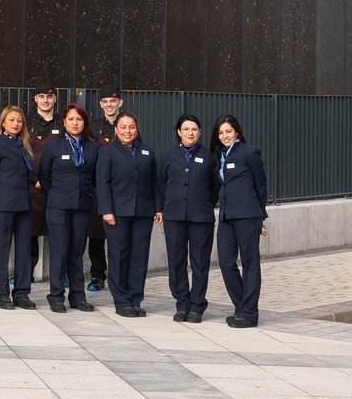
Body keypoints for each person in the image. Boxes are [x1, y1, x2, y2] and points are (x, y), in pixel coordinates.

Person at [96, 112, 159, 318]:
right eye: (122, 127)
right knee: (119, 256)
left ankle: (135, 299)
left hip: (143, 212)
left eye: (131, 127)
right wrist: (106, 210)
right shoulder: (107, 152)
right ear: (115, 129)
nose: (127, 131)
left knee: (139, 257)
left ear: (136, 128)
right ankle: (121, 301)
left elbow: (154, 183)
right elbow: (102, 183)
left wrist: (158, 208)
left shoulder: (147, 151)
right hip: (117, 213)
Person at [156, 114, 217, 323]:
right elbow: (160, 184)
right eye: (186, 129)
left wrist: (204, 203)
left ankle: (197, 305)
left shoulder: (209, 156)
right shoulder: (167, 155)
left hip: (201, 217)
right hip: (174, 216)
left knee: (200, 262)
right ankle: (182, 303)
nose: (190, 133)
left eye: (194, 129)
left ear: (199, 133)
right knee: (176, 261)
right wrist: (161, 208)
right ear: (178, 132)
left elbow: (215, 187)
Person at [38, 104, 99, 313]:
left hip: (83, 206)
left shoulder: (93, 148)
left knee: (76, 251)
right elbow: (44, 175)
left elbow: (95, 179)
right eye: (71, 119)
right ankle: (56, 296)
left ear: (85, 123)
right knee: (59, 250)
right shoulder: (53, 146)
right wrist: (54, 195)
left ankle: (78, 296)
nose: (75, 123)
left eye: (79, 119)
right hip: (58, 206)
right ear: (64, 122)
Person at [213, 114, 268, 328]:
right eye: (221, 132)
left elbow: (261, 185)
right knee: (226, 261)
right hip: (227, 215)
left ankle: (249, 313)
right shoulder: (220, 155)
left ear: (236, 131)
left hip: (247, 215)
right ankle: (241, 306)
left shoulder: (249, 152)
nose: (225, 135)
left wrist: (260, 215)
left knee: (250, 263)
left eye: (228, 131)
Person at [0, 105, 37, 310]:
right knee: (2, 249)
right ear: (3, 122)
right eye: (12, 120)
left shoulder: (23, 145)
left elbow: (28, 174)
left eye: (19, 120)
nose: (16, 124)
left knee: (24, 249)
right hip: (3, 204)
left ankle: (22, 293)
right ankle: (1, 293)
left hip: (23, 204)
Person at [85, 87, 122, 292]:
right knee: (96, 235)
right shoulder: (93, 127)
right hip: (98, 189)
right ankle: (97, 276)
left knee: (119, 237)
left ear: (120, 103)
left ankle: (119, 276)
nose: (109, 104)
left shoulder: (127, 124)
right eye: (105, 101)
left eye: (113, 101)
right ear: (101, 104)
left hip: (121, 189)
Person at [26, 83, 59, 272]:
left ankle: (59, 273)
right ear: (35, 99)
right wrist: (33, 179)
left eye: (49, 97)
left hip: (56, 187)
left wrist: (49, 181)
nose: (45, 101)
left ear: (54, 98)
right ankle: (27, 272)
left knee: (58, 231)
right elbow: (20, 154)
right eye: (41, 97)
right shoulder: (26, 121)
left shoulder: (62, 123)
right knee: (29, 232)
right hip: (31, 186)